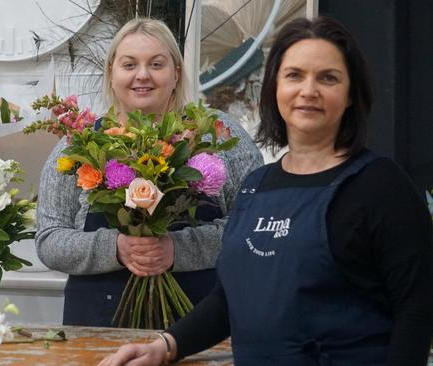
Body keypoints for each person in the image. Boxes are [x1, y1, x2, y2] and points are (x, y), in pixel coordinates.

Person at [100, 15, 433, 366]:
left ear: (351, 95)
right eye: (294, 75)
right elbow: (230, 299)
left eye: (328, 78)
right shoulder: (256, 186)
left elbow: (417, 309)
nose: (309, 90)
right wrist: (166, 345)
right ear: (275, 87)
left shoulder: (380, 186)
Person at [35, 18, 263, 327]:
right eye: (129, 65)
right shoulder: (78, 146)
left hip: (201, 324)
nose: (142, 75)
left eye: (156, 64)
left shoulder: (218, 135)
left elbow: (252, 226)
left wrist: (176, 249)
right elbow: (49, 240)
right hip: (98, 327)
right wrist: (116, 247)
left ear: (176, 73)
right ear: (112, 74)